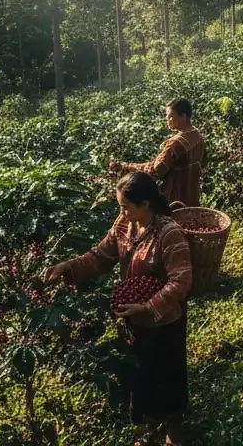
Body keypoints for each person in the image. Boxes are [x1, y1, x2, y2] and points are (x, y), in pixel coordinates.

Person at [45, 171, 192, 445]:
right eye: (119, 206)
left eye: (126, 206)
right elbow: (100, 257)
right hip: (134, 318)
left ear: (145, 205)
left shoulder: (169, 233)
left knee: (168, 373)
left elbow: (181, 280)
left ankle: (174, 428)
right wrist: (69, 267)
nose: (121, 212)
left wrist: (148, 306)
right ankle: (149, 428)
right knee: (141, 374)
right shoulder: (123, 226)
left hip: (165, 320)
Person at [110, 98, 205, 207]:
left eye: (171, 116)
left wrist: (126, 167)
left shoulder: (176, 144)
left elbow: (156, 170)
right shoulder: (197, 135)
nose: (167, 119)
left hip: (175, 200)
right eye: (167, 116)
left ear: (183, 116)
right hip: (192, 195)